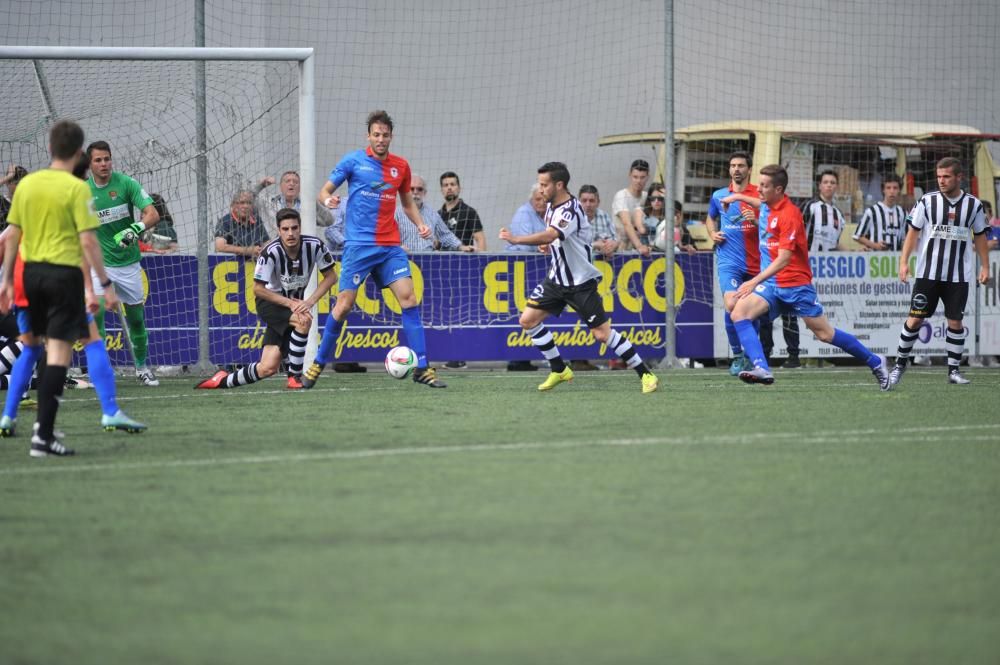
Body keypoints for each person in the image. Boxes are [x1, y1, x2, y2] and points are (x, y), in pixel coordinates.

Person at [0, 120, 135, 456]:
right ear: (78, 154)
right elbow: (88, 241)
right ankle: (44, 436)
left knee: (31, 346)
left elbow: (12, 234)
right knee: (61, 352)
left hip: (29, 277)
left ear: (49, 148)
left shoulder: (27, 185)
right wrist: (104, 284)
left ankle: (10, 417)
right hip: (63, 278)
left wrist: (5, 281)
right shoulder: (78, 190)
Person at [306, 109, 444, 388]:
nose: (381, 139)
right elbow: (323, 192)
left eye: (385, 135)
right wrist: (328, 199)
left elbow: (406, 203)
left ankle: (422, 367)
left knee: (409, 300)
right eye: (376, 134)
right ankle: (319, 362)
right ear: (368, 136)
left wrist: (419, 225)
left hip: (390, 246)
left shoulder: (401, 167)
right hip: (358, 246)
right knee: (343, 306)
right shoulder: (353, 161)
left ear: (391, 136)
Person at [498, 161, 659, 394]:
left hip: (580, 283)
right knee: (527, 320)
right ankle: (559, 369)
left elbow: (553, 233)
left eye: (545, 184)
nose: (540, 189)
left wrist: (516, 239)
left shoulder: (570, 209)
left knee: (601, 334)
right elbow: (557, 239)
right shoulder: (552, 206)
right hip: (556, 280)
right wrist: (548, 246)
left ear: (559, 184)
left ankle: (646, 374)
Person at [727, 164, 889, 389]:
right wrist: (735, 197)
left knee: (824, 334)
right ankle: (761, 367)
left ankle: (875, 361)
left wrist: (753, 281)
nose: (759, 190)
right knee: (739, 313)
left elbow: (784, 259)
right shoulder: (766, 205)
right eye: (759, 184)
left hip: (795, 285)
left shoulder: (790, 215)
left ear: (778, 189)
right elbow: (757, 203)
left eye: (764, 186)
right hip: (772, 285)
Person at [197, 208, 338, 391]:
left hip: (293, 303)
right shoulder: (270, 252)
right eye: (285, 229)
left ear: (300, 228)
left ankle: (222, 380)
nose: (291, 233)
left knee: (267, 367)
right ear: (278, 230)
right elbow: (258, 289)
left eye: (294, 228)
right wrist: (291, 304)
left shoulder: (315, 246)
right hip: (270, 303)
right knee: (304, 320)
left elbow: (331, 277)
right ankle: (294, 378)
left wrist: (309, 301)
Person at [888, 157, 990, 386]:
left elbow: (981, 236)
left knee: (955, 321)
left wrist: (985, 265)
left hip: (958, 275)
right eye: (939, 176)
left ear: (958, 177)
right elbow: (912, 233)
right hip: (927, 274)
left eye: (946, 176)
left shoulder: (973, 205)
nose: (941, 181)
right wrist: (903, 262)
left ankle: (953, 371)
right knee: (914, 319)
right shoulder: (926, 201)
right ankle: (898, 367)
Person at [85, 141, 162, 387]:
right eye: (98, 160)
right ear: (90, 164)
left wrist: (134, 229)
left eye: (106, 158)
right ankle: (101, 371)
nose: (103, 164)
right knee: (96, 317)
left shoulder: (126, 183)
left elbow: (153, 214)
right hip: (99, 265)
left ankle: (142, 368)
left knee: (136, 319)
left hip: (128, 264)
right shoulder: (82, 192)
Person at [705, 151, 761, 376]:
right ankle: (738, 354)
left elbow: (771, 224)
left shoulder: (758, 194)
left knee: (751, 312)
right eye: (732, 165)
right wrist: (713, 234)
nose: (736, 169)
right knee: (731, 304)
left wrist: (755, 221)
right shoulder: (719, 195)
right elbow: (710, 218)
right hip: (729, 260)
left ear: (748, 169)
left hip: (757, 263)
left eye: (740, 165)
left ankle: (749, 356)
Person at [395, 175, 472, 252]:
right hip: (404, 259)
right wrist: (399, 247)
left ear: (425, 193)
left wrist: (461, 247)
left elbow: (445, 235)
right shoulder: (396, 213)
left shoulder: (432, 213)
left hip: (427, 260)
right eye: (411, 189)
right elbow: (387, 238)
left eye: (420, 189)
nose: (415, 192)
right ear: (406, 192)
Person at [253, 170, 334, 237]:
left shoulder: (307, 205)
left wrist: (314, 203)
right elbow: (247, 199)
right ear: (281, 186)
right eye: (287, 181)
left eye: (295, 182)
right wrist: (261, 185)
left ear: (300, 187)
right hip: (275, 248)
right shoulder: (268, 202)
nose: (291, 184)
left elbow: (329, 221)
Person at [610, 159, 652, 255]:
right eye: (635, 177)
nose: (638, 181)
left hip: (644, 248)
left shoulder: (646, 197)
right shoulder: (621, 195)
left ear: (648, 177)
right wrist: (640, 246)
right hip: (621, 250)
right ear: (629, 175)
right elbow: (626, 223)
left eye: (642, 177)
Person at [854, 174, 905, 251]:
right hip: (876, 259)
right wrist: (875, 245)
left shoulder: (903, 213)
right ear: (883, 190)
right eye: (888, 188)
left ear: (899, 190)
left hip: (896, 259)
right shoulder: (871, 211)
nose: (891, 191)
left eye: (895, 188)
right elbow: (857, 236)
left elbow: (907, 237)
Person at [215, 190, 269, 258]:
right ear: (233, 205)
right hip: (232, 265)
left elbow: (267, 242)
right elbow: (220, 247)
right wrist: (248, 250)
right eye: (242, 202)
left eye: (249, 203)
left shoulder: (256, 220)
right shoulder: (225, 222)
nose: (246, 206)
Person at [439, 171, 485, 251]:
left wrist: (481, 261)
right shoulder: (437, 215)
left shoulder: (469, 212)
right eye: (445, 185)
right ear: (441, 190)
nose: (449, 187)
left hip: (464, 260)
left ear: (459, 189)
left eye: (452, 184)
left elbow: (480, 239)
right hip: (442, 261)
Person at [579, 184, 617, 259]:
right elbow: (574, 247)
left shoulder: (604, 216)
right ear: (579, 202)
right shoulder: (573, 219)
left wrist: (611, 246)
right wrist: (595, 245)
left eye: (592, 201)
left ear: (598, 202)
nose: (588, 204)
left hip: (603, 265)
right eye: (584, 201)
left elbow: (615, 239)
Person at [506, 184, 548, 251]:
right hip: (518, 258)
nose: (542, 203)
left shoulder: (550, 213)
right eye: (538, 199)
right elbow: (524, 247)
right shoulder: (523, 213)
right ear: (531, 199)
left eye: (545, 200)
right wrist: (540, 247)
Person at [0, 165, 28, 232]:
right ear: (7, 183)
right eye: (16, 183)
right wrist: (9, 176)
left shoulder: (27, 205)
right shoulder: (1, 201)